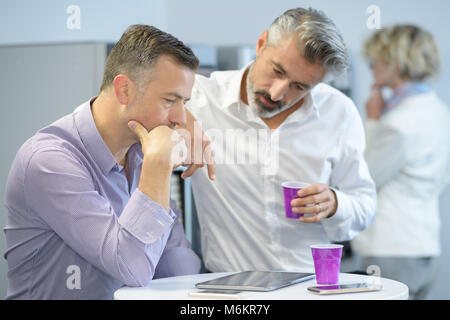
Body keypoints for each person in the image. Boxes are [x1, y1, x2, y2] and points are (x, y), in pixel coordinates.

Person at [3, 25, 212, 299]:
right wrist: (159, 164)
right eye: (170, 100)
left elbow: (174, 260)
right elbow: (133, 266)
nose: (181, 119)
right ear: (124, 90)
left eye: (183, 102)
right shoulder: (49, 161)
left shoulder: (140, 151)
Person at [185, 8, 377, 273]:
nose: (277, 93)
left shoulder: (339, 113)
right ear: (261, 43)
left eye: (300, 86)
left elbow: (365, 205)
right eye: (277, 70)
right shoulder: (200, 99)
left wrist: (334, 203)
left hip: (309, 287)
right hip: (232, 289)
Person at [351, 25, 450, 300]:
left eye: (376, 60)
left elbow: (364, 178)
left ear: (395, 62)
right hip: (425, 246)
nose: (371, 67)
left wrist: (372, 121)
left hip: (391, 250)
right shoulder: (439, 110)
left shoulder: (398, 123)